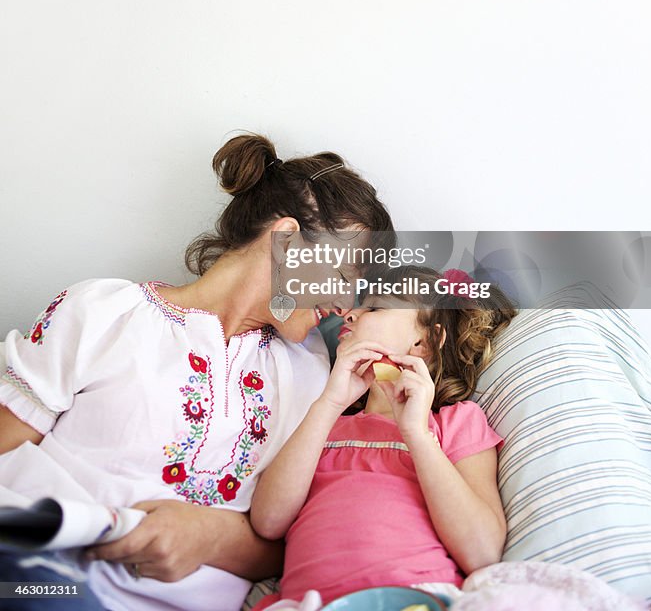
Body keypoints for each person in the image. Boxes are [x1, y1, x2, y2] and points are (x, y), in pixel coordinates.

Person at [0, 132, 394, 611]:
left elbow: (291, 542)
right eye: (344, 275)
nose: (346, 304)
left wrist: (208, 537)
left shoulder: (312, 378)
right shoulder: (103, 313)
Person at [249, 264, 517, 608]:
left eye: (374, 307)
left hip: (417, 600)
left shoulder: (454, 423)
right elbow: (268, 521)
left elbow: (482, 552)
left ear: (425, 341)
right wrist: (329, 404)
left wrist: (417, 436)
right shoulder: (324, 423)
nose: (351, 314)